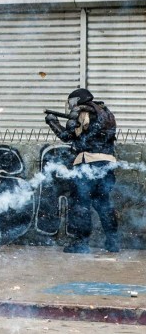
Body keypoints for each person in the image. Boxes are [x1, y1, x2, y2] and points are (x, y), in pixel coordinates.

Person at [45, 88, 119, 253]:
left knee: (81, 204)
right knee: (104, 204)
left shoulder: (82, 112)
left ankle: (81, 243)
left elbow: (67, 136)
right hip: (107, 165)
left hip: (88, 164)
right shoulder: (106, 113)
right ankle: (113, 242)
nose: (71, 106)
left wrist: (52, 122)